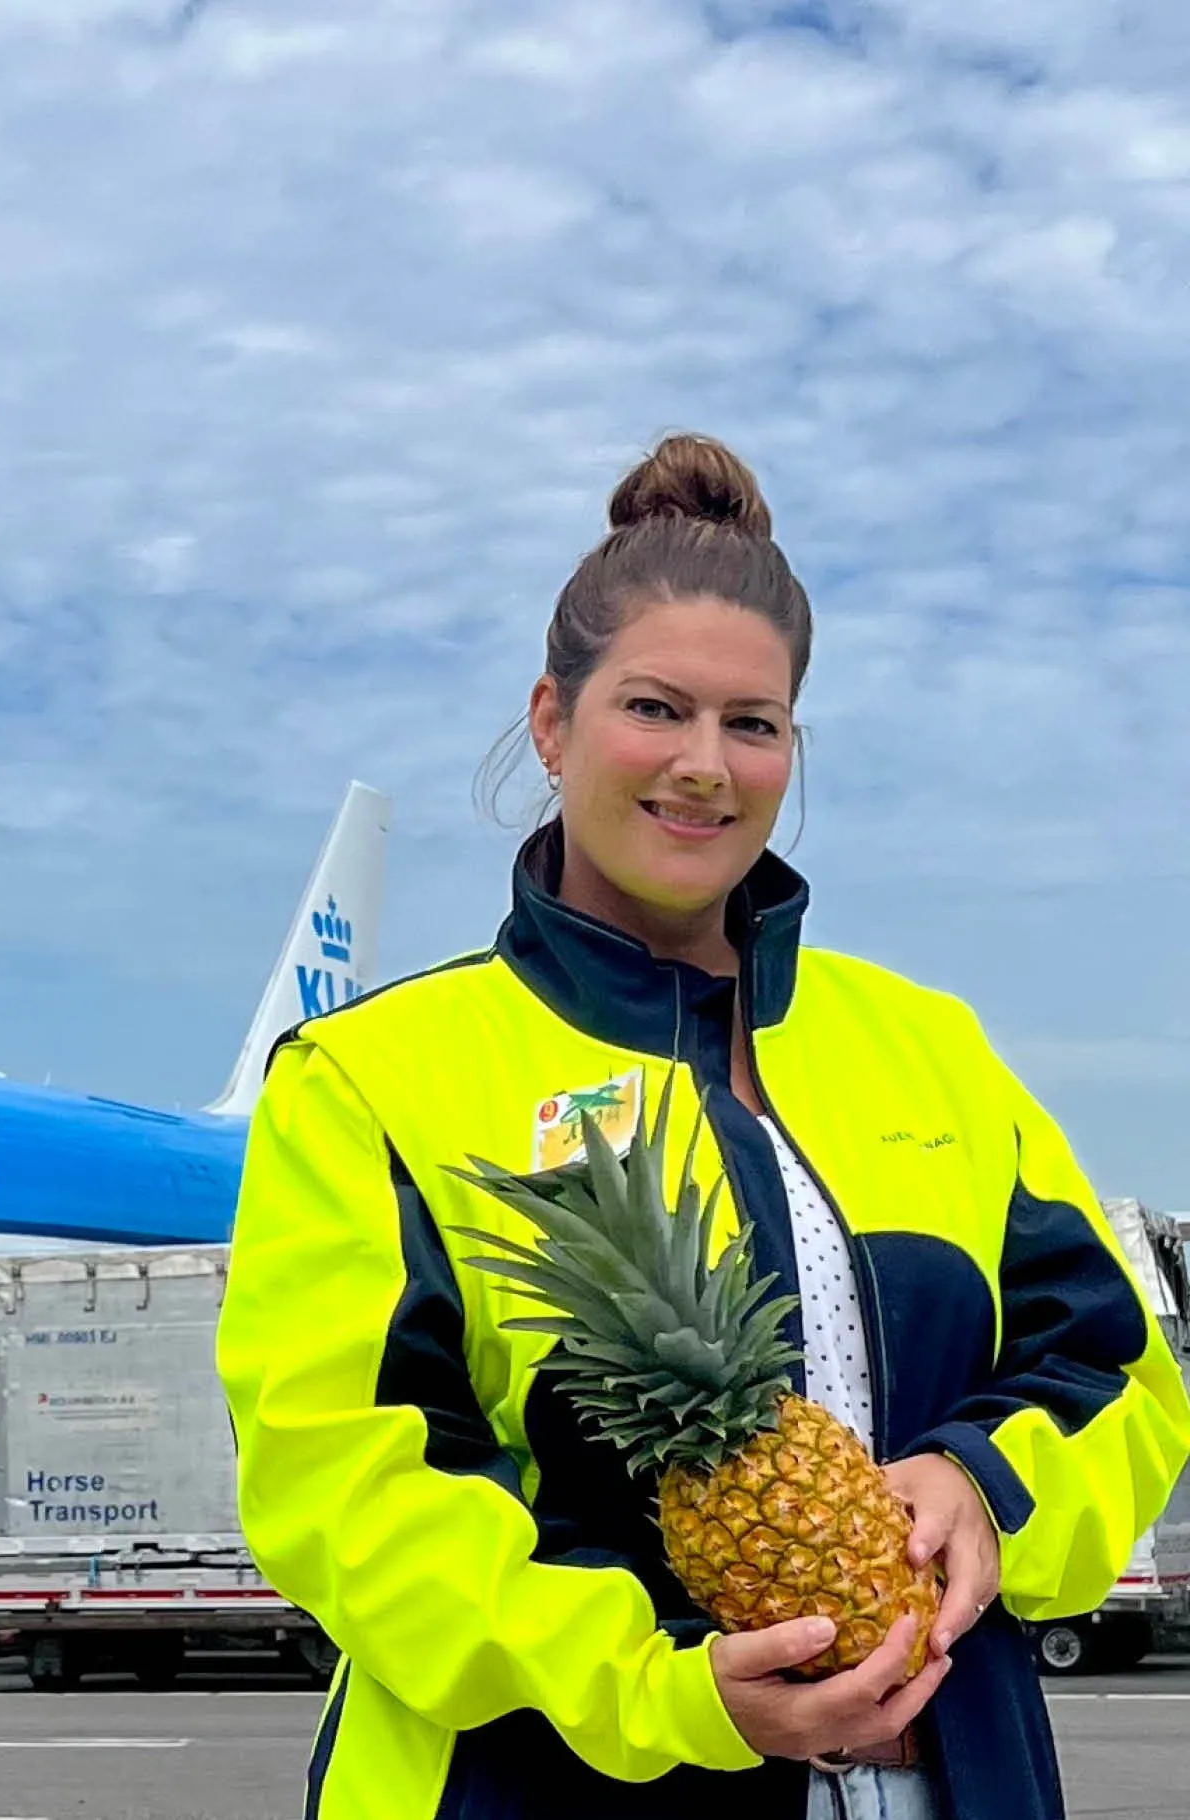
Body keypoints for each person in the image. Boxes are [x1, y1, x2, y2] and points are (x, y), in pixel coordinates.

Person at [215, 434, 1190, 1820]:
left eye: (754, 722)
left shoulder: (929, 1048)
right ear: (552, 724)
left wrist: (984, 1488)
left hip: (957, 1777)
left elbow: (1117, 1380)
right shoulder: (378, 1075)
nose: (704, 767)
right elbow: (353, 1501)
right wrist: (673, 1691)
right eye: (655, 710)